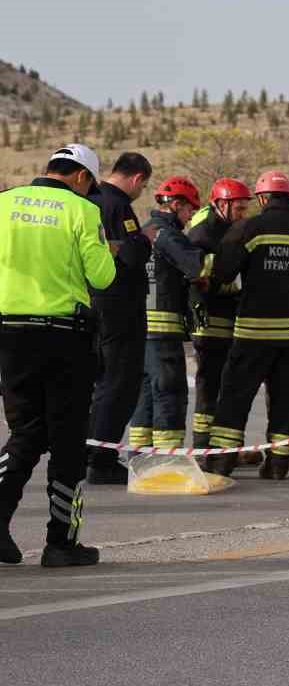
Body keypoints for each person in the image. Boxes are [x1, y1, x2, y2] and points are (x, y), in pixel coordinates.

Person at [0, 144, 116, 567]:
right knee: (67, 441)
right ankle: (62, 543)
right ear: (83, 178)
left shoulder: (4, 203)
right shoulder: (81, 211)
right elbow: (102, 275)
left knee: (27, 430)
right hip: (64, 337)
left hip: (10, 334)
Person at [205, 170, 289, 479]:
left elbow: (223, 272)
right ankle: (278, 464)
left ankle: (222, 461)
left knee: (236, 394)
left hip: (254, 330)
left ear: (263, 198)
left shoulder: (249, 229)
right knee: (285, 399)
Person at [127, 178, 212, 451]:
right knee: (169, 392)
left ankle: (140, 454)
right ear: (175, 205)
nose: (189, 218)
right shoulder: (168, 234)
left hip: (139, 329)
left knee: (145, 395)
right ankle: (168, 458)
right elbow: (198, 267)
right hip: (163, 331)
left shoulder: (143, 231)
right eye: (189, 210)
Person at [85, 152, 154, 484]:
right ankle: (102, 458)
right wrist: (146, 237)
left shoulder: (90, 200)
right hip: (119, 306)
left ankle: (88, 450)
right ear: (138, 178)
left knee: (99, 383)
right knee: (120, 382)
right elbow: (131, 256)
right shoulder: (117, 206)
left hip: (92, 304)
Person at [182, 178, 252, 448]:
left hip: (228, 316)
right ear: (221, 204)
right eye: (239, 209)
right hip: (209, 318)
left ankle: (220, 443)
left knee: (225, 381)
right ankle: (202, 442)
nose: (243, 215)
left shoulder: (231, 230)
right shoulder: (203, 235)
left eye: (246, 209)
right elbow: (198, 277)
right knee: (209, 382)